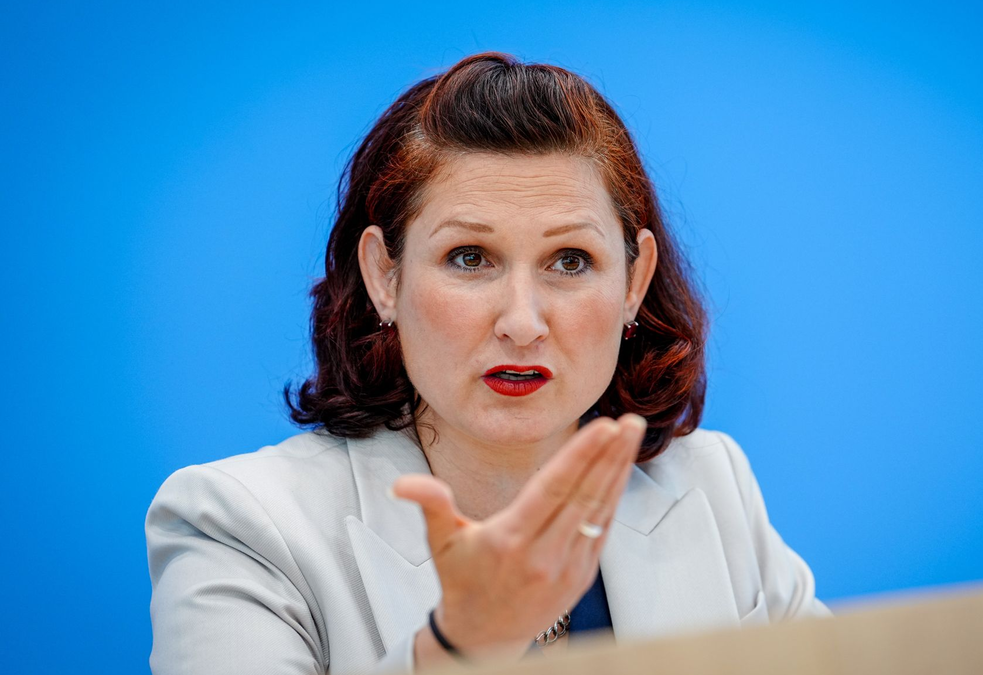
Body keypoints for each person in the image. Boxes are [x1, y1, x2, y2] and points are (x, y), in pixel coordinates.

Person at [145, 51, 828, 675]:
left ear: (634, 281)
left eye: (570, 261)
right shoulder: (241, 524)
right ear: (385, 276)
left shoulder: (712, 487)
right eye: (469, 258)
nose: (523, 323)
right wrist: (459, 648)